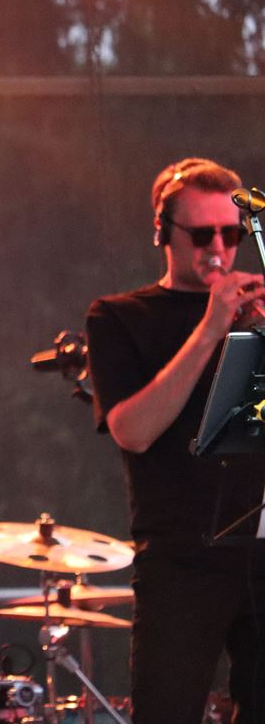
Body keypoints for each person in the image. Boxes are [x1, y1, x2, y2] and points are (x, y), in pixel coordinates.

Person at [85, 157, 265, 724]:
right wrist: (211, 329)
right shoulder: (119, 317)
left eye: (231, 234)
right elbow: (133, 432)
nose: (219, 248)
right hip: (183, 559)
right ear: (164, 232)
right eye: (203, 234)